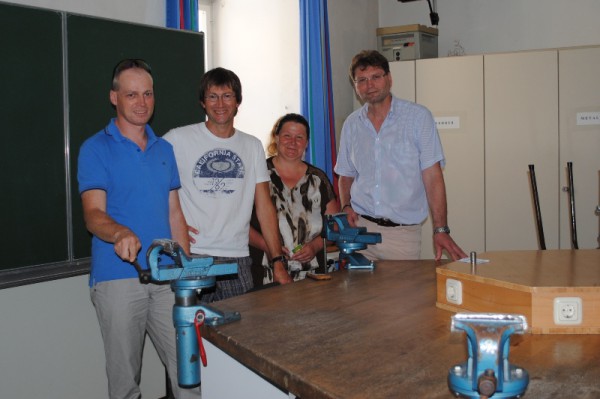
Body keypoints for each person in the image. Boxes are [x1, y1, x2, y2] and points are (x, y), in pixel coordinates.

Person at [77, 59, 200, 399]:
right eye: (132, 94)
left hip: (166, 279)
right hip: (117, 279)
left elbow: (175, 214)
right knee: (125, 383)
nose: (142, 102)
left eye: (147, 93)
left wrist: (187, 271)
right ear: (114, 97)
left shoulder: (165, 149)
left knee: (189, 372)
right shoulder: (95, 149)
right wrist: (119, 233)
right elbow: (93, 214)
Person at [164, 67, 293, 302]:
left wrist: (277, 261)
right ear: (203, 102)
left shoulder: (252, 145)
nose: (220, 103)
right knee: (194, 334)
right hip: (193, 256)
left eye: (227, 96)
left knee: (242, 331)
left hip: (237, 257)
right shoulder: (177, 139)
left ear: (237, 102)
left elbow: (264, 206)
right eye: (212, 96)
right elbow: (149, 184)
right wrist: (170, 225)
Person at [334, 50, 467, 261]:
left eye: (376, 77)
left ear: (389, 79)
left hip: (402, 237)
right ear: (355, 86)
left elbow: (433, 178)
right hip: (360, 233)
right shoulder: (351, 124)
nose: (369, 85)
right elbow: (346, 174)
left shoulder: (417, 117)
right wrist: (346, 206)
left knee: (402, 295)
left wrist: (440, 230)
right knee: (358, 294)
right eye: (362, 80)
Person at [249, 113, 338, 283]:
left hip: (312, 278)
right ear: (276, 137)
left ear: (306, 142)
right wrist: (268, 247)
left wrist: (314, 246)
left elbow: (335, 226)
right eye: (287, 136)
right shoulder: (258, 175)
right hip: (266, 275)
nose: (293, 142)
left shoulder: (318, 179)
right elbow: (240, 224)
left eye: (299, 137)